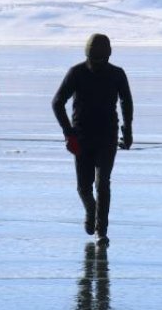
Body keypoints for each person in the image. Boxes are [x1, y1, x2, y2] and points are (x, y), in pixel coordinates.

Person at [52, 33, 133, 245]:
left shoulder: (117, 74)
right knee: (83, 188)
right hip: (82, 137)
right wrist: (69, 133)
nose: (97, 63)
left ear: (108, 57)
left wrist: (128, 129)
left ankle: (101, 231)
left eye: (101, 60)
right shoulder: (76, 73)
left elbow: (126, 101)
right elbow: (57, 102)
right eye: (93, 59)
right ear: (87, 55)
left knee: (103, 183)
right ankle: (91, 209)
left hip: (107, 136)